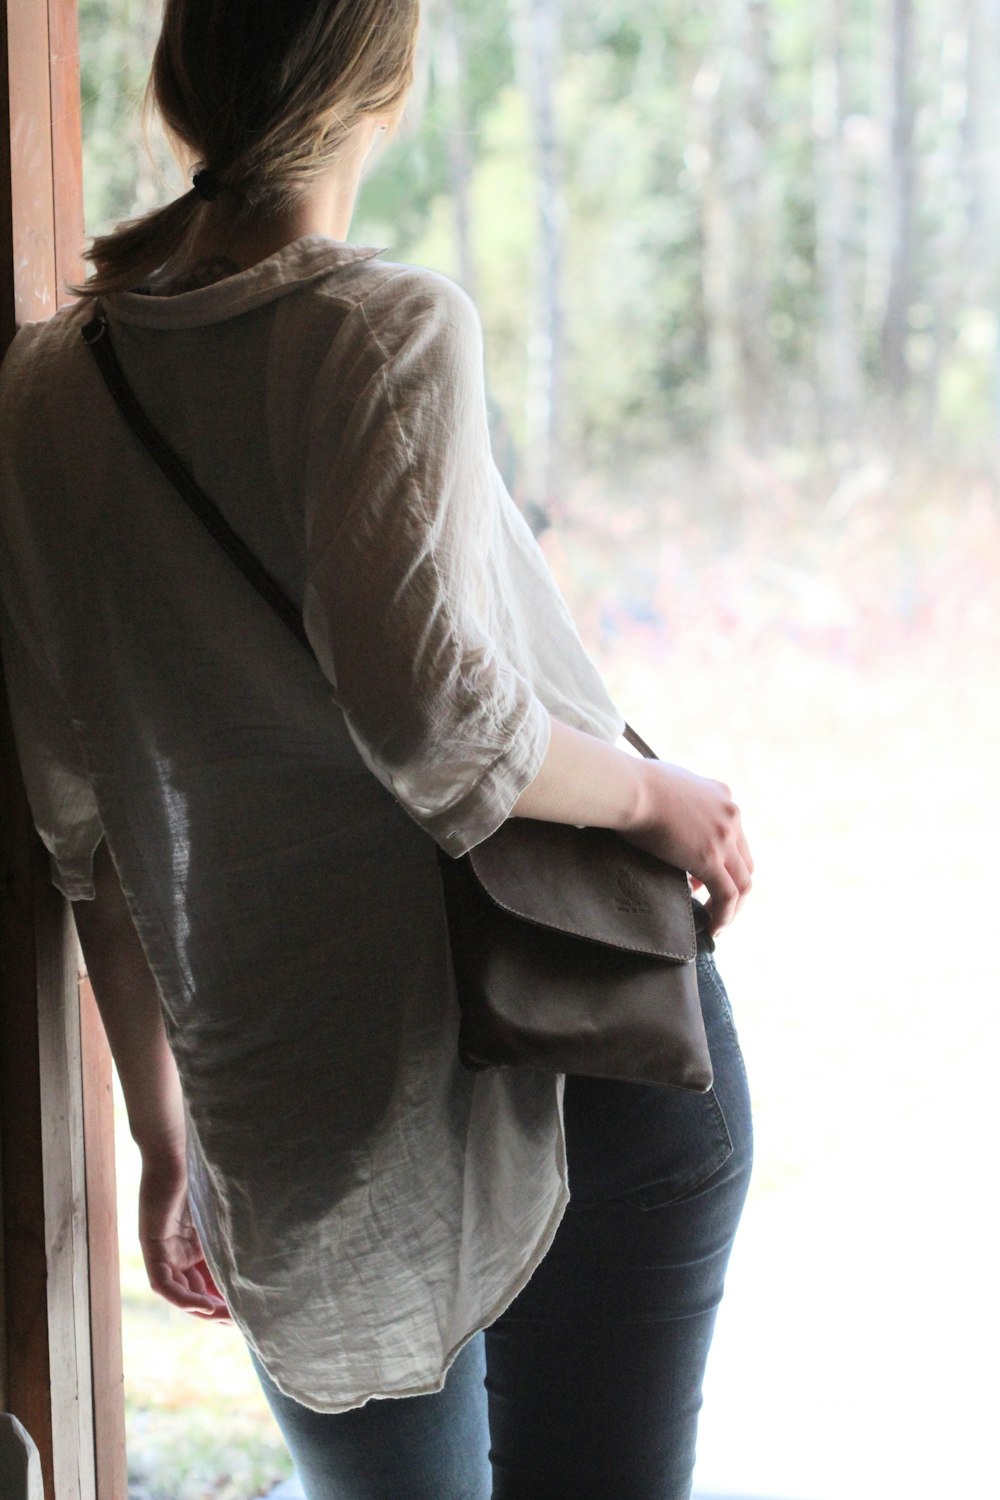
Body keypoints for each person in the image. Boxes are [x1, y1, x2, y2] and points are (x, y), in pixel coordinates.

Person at [0, 2, 753, 1496]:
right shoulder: (386, 326)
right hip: (572, 1030)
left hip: (298, 1097)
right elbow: (445, 728)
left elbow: (78, 817)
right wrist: (666, 801)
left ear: (180, 86)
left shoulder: (41, 395)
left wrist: (161, 1129)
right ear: (384, 86)